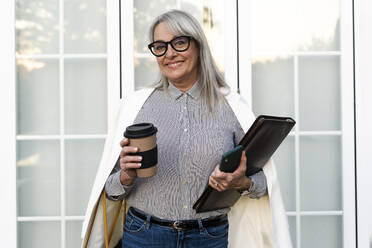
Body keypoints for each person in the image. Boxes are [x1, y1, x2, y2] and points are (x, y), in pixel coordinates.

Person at [81, 10, 292, 248]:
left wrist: (240, 182)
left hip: (209, 238)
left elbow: (263, 185)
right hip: (144, 236)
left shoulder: (232, 107)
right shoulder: (135, 107)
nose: (170, 53)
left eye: (179, 43)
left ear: (198, 46)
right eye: (160, 46)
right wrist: (125, 177)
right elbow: (110, 191)